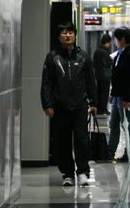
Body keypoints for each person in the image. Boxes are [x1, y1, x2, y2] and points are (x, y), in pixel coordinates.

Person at [40, 22, 98, 186]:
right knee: (63, 142)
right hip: (60, 107)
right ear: (59, 37)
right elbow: (46, 83)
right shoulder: (52, 57)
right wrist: (47, 104)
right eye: (64, 33)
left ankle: (83, 172)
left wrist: (93, 102)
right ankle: (68, 174)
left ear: (75, 35)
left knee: (81, 140)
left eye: (71, 32)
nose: (68, 35)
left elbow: (90, 81)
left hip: (80, 106)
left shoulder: (83, 56)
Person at [108, 28, 130, 162]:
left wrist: (127, 98)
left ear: (122, 39)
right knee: (113, 123)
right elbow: (117, 76)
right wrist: (112, 93)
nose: (114, 41)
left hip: (125, 96)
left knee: (126, 124)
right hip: (118, 95)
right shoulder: (120, 54)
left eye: (116, 39)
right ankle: (110, 153)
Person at [93, 33, 112, 115]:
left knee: (99, 92)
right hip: (105, 76)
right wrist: (111, 59)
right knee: (104, 93)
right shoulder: (104, 52)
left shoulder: (97, 51)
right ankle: (103, 108)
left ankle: (99, 107)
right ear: (107, 42)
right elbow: (107, 63)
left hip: (98, 75)